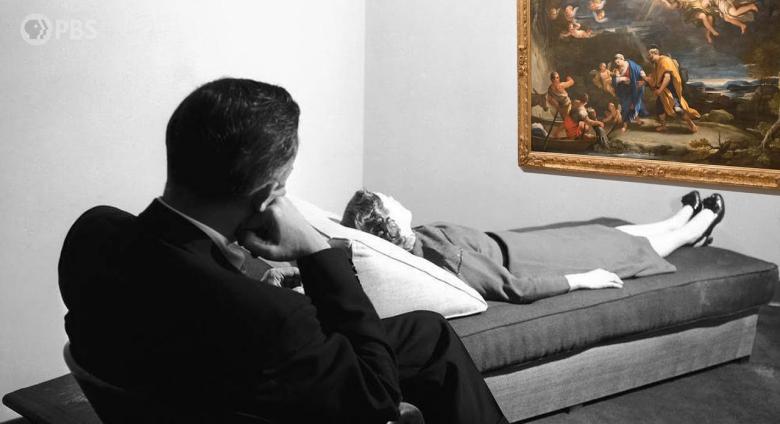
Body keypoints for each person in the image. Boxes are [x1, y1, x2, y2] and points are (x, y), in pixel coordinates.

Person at [58, 78, 508, 424]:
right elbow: (376, 399)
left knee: (427, 333)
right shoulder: (275, 318)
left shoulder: (94, 233)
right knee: (389, 367)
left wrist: (246, 271)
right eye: (284, 183)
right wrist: (316, 251)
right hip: (237, 391)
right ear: (266, 194)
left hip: (176, 376)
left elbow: (188, 296)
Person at [341, 190, 725, 304]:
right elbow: (514, 288)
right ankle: (694, 228)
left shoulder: (419, 237)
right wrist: (581, 280)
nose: (394, 198)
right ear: (389, 224)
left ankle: (676, 221)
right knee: (617, 249)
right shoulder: (441, 256)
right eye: (388, 201)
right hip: (529, 261)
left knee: (598, 232)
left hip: (518, 245)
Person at [643, 47, 700, 133]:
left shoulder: (665, 61)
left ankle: (692, 125)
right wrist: (645, 80)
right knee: (659, 107)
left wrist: (660, 90)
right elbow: (655, 78)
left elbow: (667, 77)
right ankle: (663, 126)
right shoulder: (657, 64)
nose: (649, 57)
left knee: (677, 108)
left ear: (655, 53)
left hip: (671, 91)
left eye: (650, 55)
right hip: (663, 92)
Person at [612, 53, 648, 130]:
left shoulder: (631, 65)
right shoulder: (616, 70)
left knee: (634, 106)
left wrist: (644, 79)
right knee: (625, 107)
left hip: (634, 88)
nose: (617, 64)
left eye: (618, 62)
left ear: (622, 59)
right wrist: (622, 79)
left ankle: (637, 120)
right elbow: (615, 80)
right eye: (616, 63)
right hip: (625, 91)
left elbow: (640, 70)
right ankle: (625, 125)